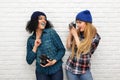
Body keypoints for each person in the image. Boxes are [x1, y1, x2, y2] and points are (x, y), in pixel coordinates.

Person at [26, 11, 65, 80]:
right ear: (34, 21)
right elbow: (29, 60)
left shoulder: (51, 33)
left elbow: (61, 50)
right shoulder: (30, 40)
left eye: (45, 19)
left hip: (56, 70)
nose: (44, 20)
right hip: (41, 72)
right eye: (40, 18)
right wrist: (35, 47)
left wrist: (53, 61)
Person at [65, 10, 101, 80]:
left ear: (87, 23)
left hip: (84, 70)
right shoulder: (78, 33)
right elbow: (68, 46)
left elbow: (84, 51)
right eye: (77, 22)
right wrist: (70, 33)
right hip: (71, 68)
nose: (78, 25)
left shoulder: (95, 37)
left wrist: (75, 35)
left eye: (80, 22)